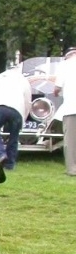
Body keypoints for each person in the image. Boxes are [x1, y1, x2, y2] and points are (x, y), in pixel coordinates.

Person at [0, 63, 32, 170]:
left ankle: (0, 154)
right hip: (17, 109)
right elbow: (27, 100)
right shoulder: (23, 80)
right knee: (14, 136)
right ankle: (10, 164)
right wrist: (23, 117)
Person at [54, 47, 76, 176]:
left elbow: (57, 88)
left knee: (70, 140)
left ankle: (72, 169)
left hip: (71, 106)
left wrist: (56, 92)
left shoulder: (65, 65)